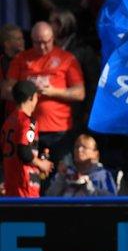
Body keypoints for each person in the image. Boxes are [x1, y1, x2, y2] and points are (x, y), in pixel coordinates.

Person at [2, 21, 85, 164]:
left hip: (59, 130)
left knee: (61, 175)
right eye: (37, 42)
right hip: (28, 127)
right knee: (30, 173)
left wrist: (53, 92)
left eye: (46, 42)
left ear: (52, 38)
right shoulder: (21, 59)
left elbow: (80, 93)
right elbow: (6, 91)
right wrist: (28, 90)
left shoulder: (67, 59)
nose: (42, 47)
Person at [1, 80, 53, 197]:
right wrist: (41, 164)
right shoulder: (28, 122)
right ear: (31, 98)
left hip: (10, 183)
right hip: (25, 185)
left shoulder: (8, 122)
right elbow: (24, 151)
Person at [45, 133, 116, 196]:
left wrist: (88, 187)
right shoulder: (65, 172)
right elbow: (49, 196)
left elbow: (111, 200)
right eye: (76, 147)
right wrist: (61, 177)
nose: (79, 150)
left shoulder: (103, 175)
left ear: (96, 154)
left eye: (84, 147)